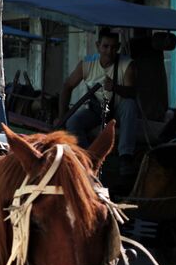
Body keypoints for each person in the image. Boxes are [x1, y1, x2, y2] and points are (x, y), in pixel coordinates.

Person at [57, 29, 140, 169]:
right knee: (73, 122)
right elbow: (67, 86)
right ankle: (88, 159)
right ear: (98, 46)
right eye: (105, 46)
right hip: (97, 110)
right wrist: (62, 118)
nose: (109, 51)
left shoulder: (127, 65)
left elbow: (132, 93)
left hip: (118, 111)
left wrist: (115, 87)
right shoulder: (87, 64)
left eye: (113, 47)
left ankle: (125, 156)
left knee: (129, 105)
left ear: (118, 48)